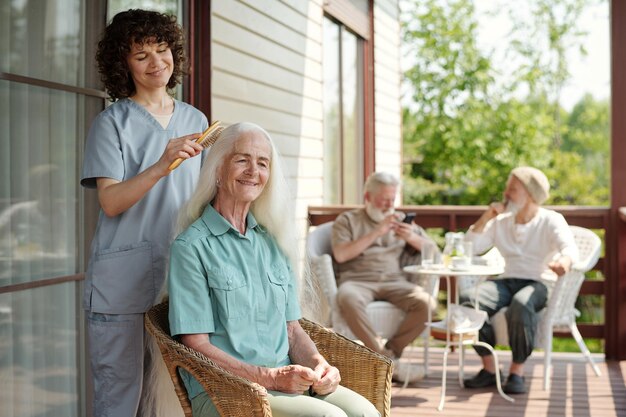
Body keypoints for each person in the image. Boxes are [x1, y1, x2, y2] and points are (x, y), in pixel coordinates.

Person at [167, 122, 379, 417]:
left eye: (262, 163)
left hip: (285, 382)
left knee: (366, 412)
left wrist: (319, 363)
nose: (254, 171)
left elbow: (292, 329)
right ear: (218, 168)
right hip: (226, 389)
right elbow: (195, 343)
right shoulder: (192, 247)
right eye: (242, 159)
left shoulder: (271, 241)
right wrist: (267, 377)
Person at [80, 9, 209, 417]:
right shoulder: (110, 123)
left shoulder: (196, 121)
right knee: (121, 399)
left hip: (181, 278)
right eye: (141, 55)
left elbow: (203, 201)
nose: (157, 63)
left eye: (163, 49)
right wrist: (160, 164)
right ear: (123, 63)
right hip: (122, 283)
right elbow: (111, 201)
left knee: (174, 396)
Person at [461, 166, 578, 394]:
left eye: (512, 189)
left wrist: (563, 261)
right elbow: (471, 248)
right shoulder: (502, 221)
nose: (506, 194)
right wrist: (486, 217)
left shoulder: (551, 220)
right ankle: (490, 369)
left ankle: (517, 371)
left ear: (531, 194)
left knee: (521, 304)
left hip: (538, 282)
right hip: (507, 280)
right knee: (469, 300)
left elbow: (570, 249)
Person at [330, 172, 438, 383]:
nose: (390, 205)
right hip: (358, 281)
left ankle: (388, 355)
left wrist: (412, 237)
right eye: (384, 199)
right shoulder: (348, 220)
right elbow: (341, 255)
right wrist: (377, 232)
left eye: (393, 199)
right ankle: (389, 362)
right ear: (368, 197)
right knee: (347, 297)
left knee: (427, 304)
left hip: (394, 281)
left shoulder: (400, 221)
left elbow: (434, 252)